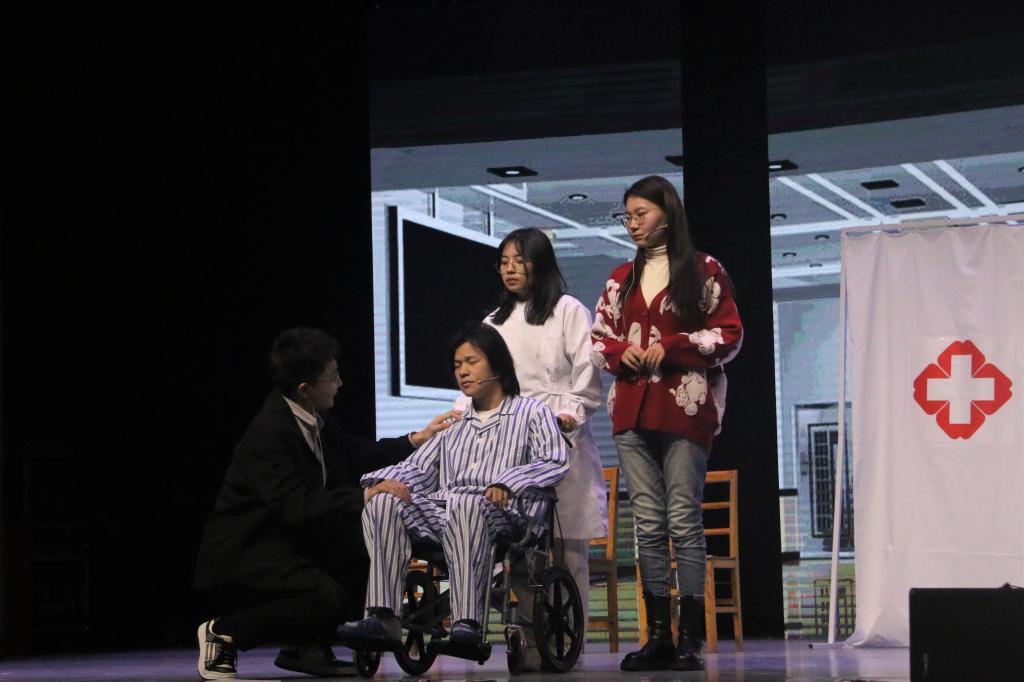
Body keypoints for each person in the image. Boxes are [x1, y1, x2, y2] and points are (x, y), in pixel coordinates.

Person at [194, 328, 459, 680]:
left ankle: (306, 648)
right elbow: (295, 505)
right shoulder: (270, 434)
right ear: (305, 388)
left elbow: (355, 453)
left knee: (365, 553)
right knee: (326, 598)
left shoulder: (310, 416)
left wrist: (416, 439)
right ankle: (224, 633)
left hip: (290, 540)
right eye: (332, 377)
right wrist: (365, 495)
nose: (340, 383)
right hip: (248, 549)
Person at [591, 176, 742, 672]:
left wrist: (674, 345)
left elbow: (729, 334)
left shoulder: (704, 270)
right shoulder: (621, 278)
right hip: (632, 408)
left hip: (683, 406)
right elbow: (598, 339)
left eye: (642, 214)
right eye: (628, 216)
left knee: (683, 518)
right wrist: (622, 352)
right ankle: (657, 634)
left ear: (667, 213)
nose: (633, 224)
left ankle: (690, 636)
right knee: (648, 523)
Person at [340, 322, 569, 648]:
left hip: (508, 514)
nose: (462, 371)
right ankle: (384, 618)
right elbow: (416, 469)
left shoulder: (531, 412)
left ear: (497, 365)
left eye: (471, 361)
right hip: (449, 514)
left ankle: (467, 623)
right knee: (383, 502)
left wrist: (507, 482)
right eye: (457, 364)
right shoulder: (455, 426)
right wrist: (381, 483)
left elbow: (553, 460)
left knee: (466, 503)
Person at [483, 228, 607, 634]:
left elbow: (586, 374)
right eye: (504, 262)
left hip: (560, 438)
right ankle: (531, 637)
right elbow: (480, 381)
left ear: (541, 263)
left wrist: (570, 413)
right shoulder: (493, 322)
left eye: (519, 261)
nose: (510, 269)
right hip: (511, 442)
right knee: (520, 548)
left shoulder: (568, 310)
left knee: (568, 548)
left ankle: (570, 640)